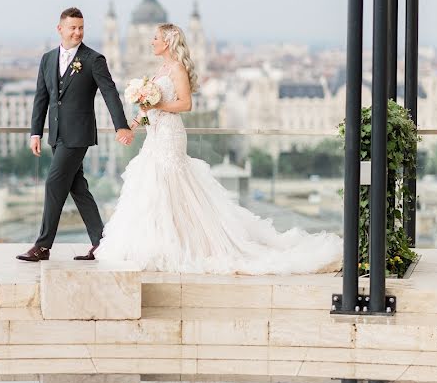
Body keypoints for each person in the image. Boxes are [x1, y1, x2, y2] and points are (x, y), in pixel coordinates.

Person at [93, 23, 343, 274]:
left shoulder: (177, 69)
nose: (151, 42)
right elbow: (150, 110)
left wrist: (158, 105)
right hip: (154, 134)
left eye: (156, 38)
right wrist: (135, 123)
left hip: (170, 135)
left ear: (167, 42)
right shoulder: (160, 70)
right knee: (152, 187)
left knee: (171, 185)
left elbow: (186, 104)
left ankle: (183, 245)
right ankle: (162, 242)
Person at [16, 7, 134, 262]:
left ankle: (43, 246)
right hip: (56, 133)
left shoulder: (93, 59)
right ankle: (102, 243)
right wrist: (35, 132)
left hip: (78, 134)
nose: (78, 32)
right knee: (78, 188)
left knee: (53, 183)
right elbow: (42, 97)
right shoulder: (47, 59)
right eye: (73, 28)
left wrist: (121, 125)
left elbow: (110, 92)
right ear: (60, 29)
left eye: (81, 28)